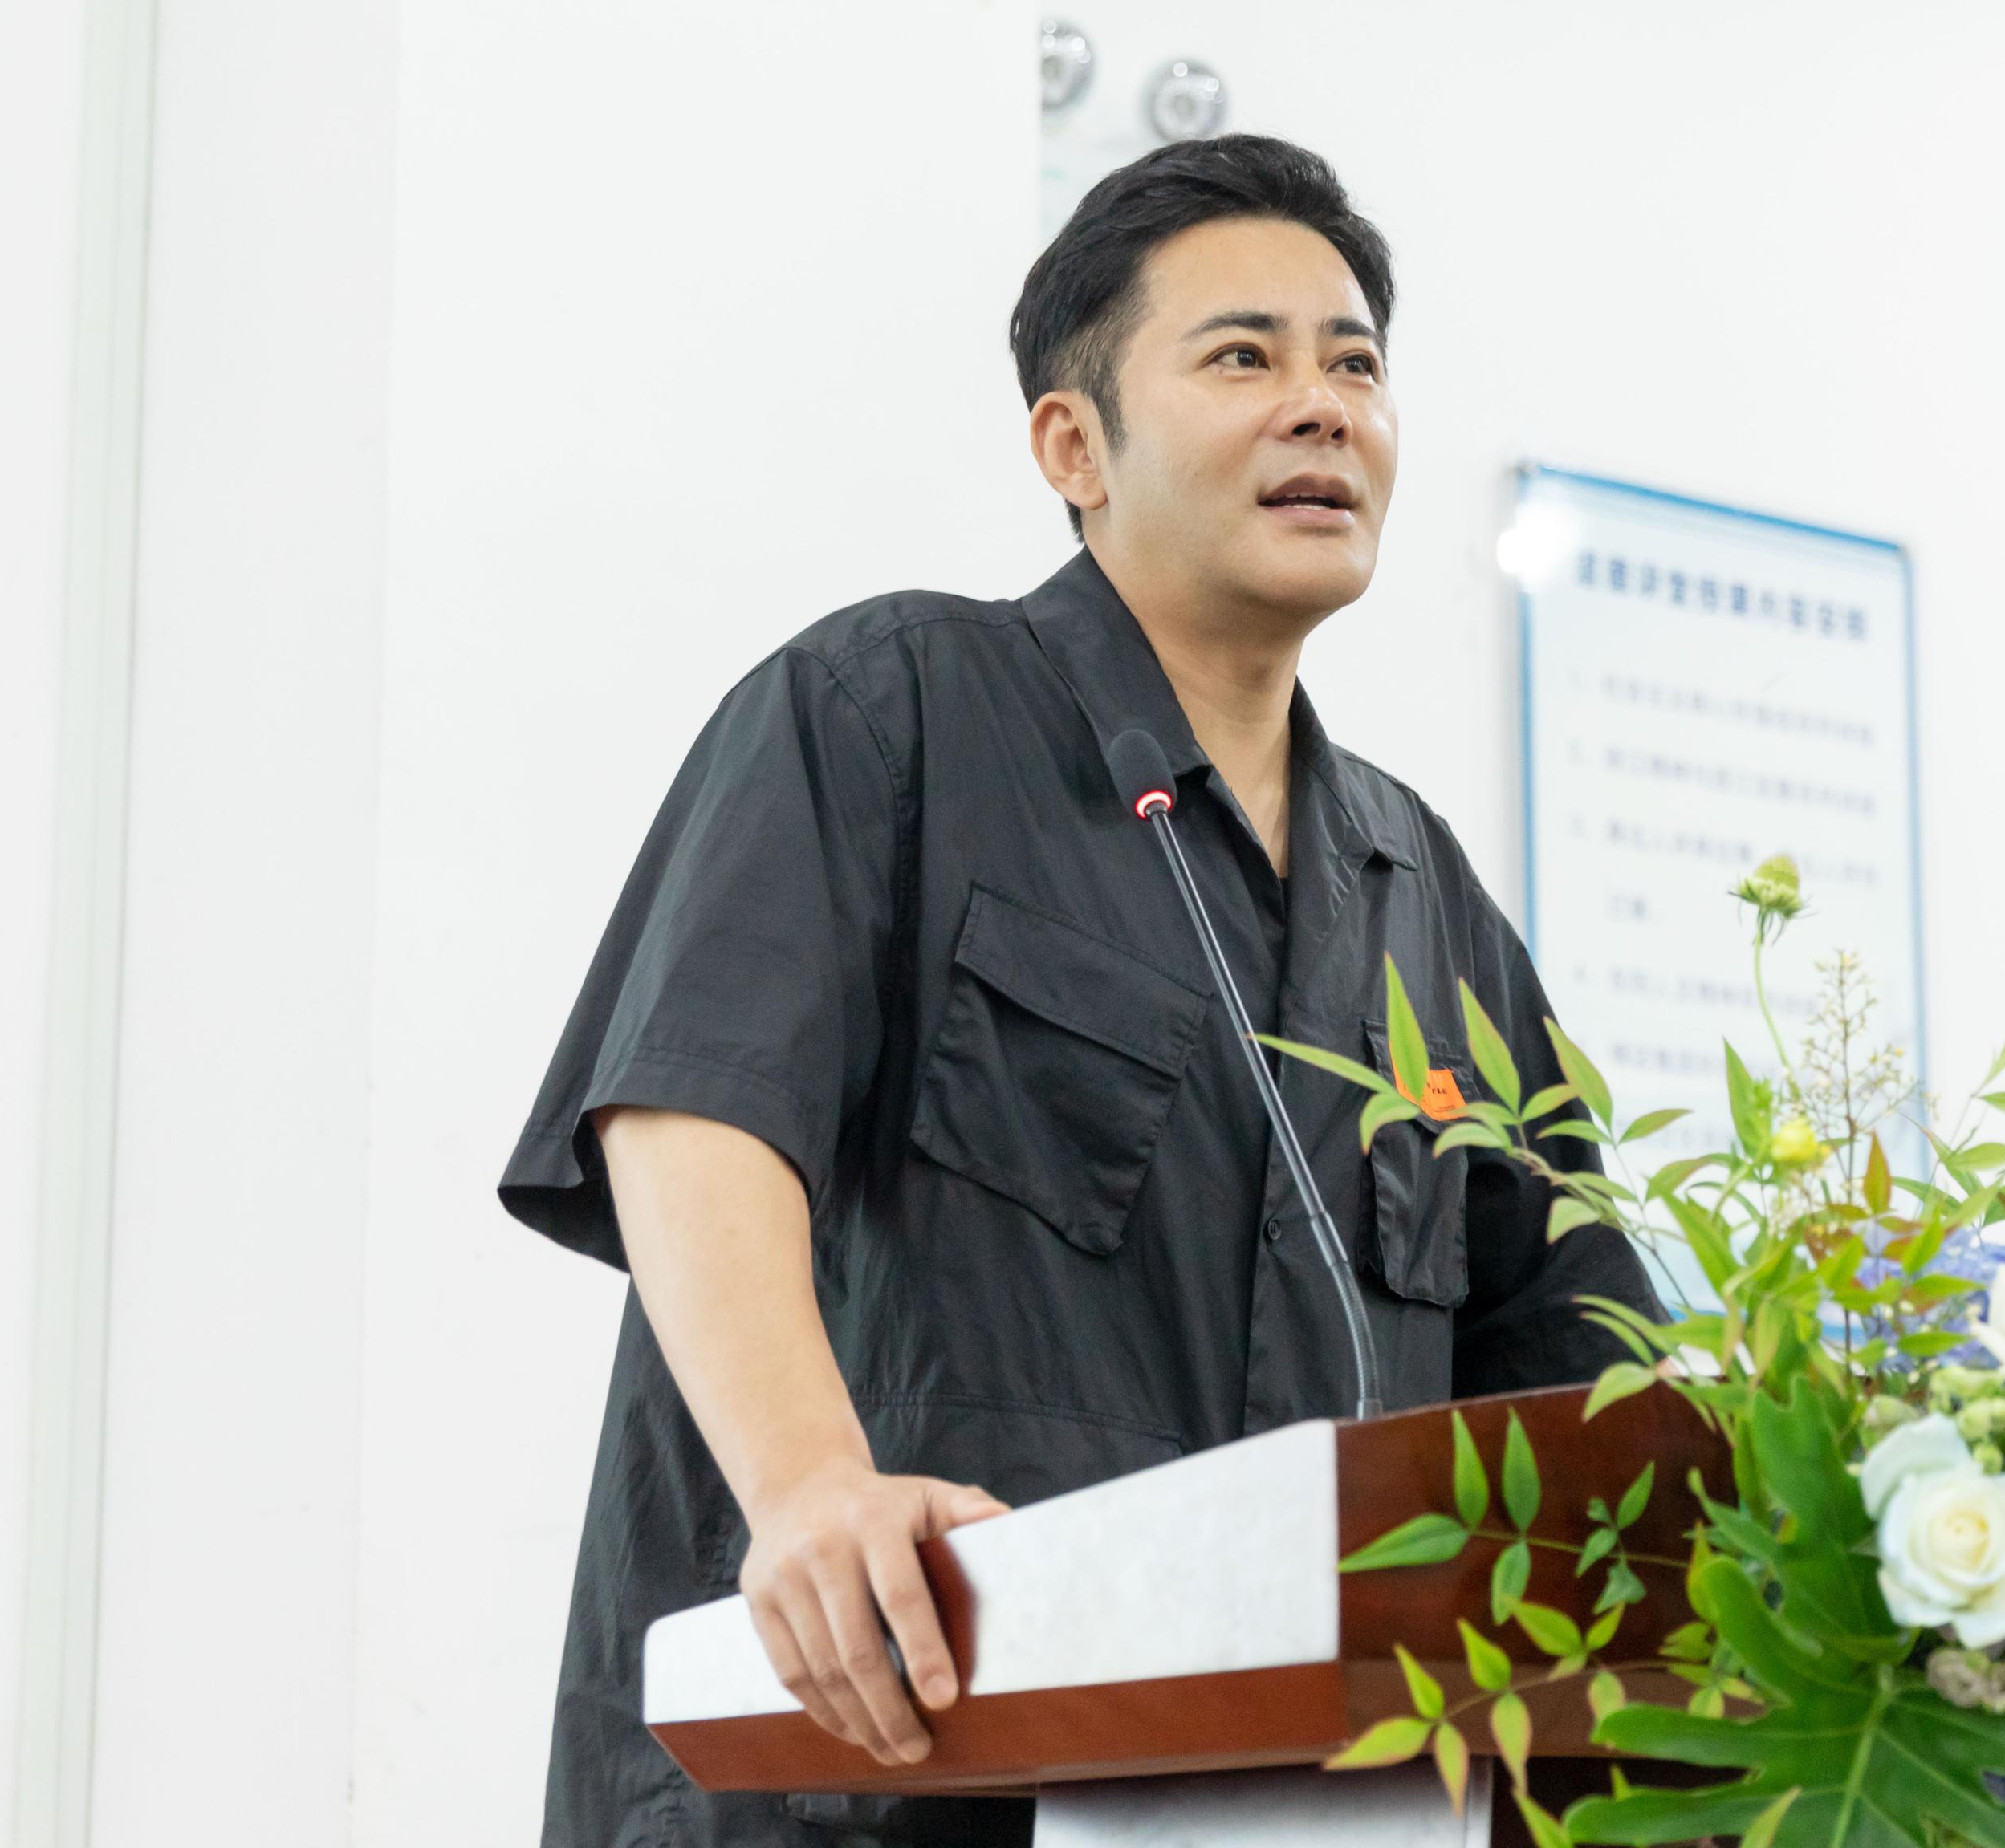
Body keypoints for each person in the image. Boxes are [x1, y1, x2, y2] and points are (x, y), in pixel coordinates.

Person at [497, 135, 1661, 1848]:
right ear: (1073, 445)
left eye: (1355, 367)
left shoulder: (1418, 888)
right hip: (881, 1765)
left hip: (1301, 1797)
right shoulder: (887, 706)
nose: (1322, 407)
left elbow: (1581, 1351)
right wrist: (811, 1485)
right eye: (1243, 357)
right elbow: (689, 1105)